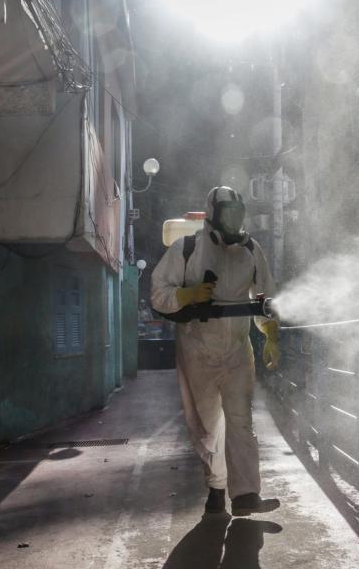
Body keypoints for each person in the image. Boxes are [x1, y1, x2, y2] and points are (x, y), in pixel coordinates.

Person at [151, 186, 281, 516]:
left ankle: (246, 495)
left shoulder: (251, 250)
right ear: (214, 215)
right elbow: (158, 293)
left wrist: (270, 336)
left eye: (239, 213)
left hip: (238, 350)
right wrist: (188, 295)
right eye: (228, 213)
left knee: (240, 422)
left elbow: (265, 299)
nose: (235, 219)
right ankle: (216, 486)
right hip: (197, 351)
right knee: (207, 427)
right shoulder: (187, 248)